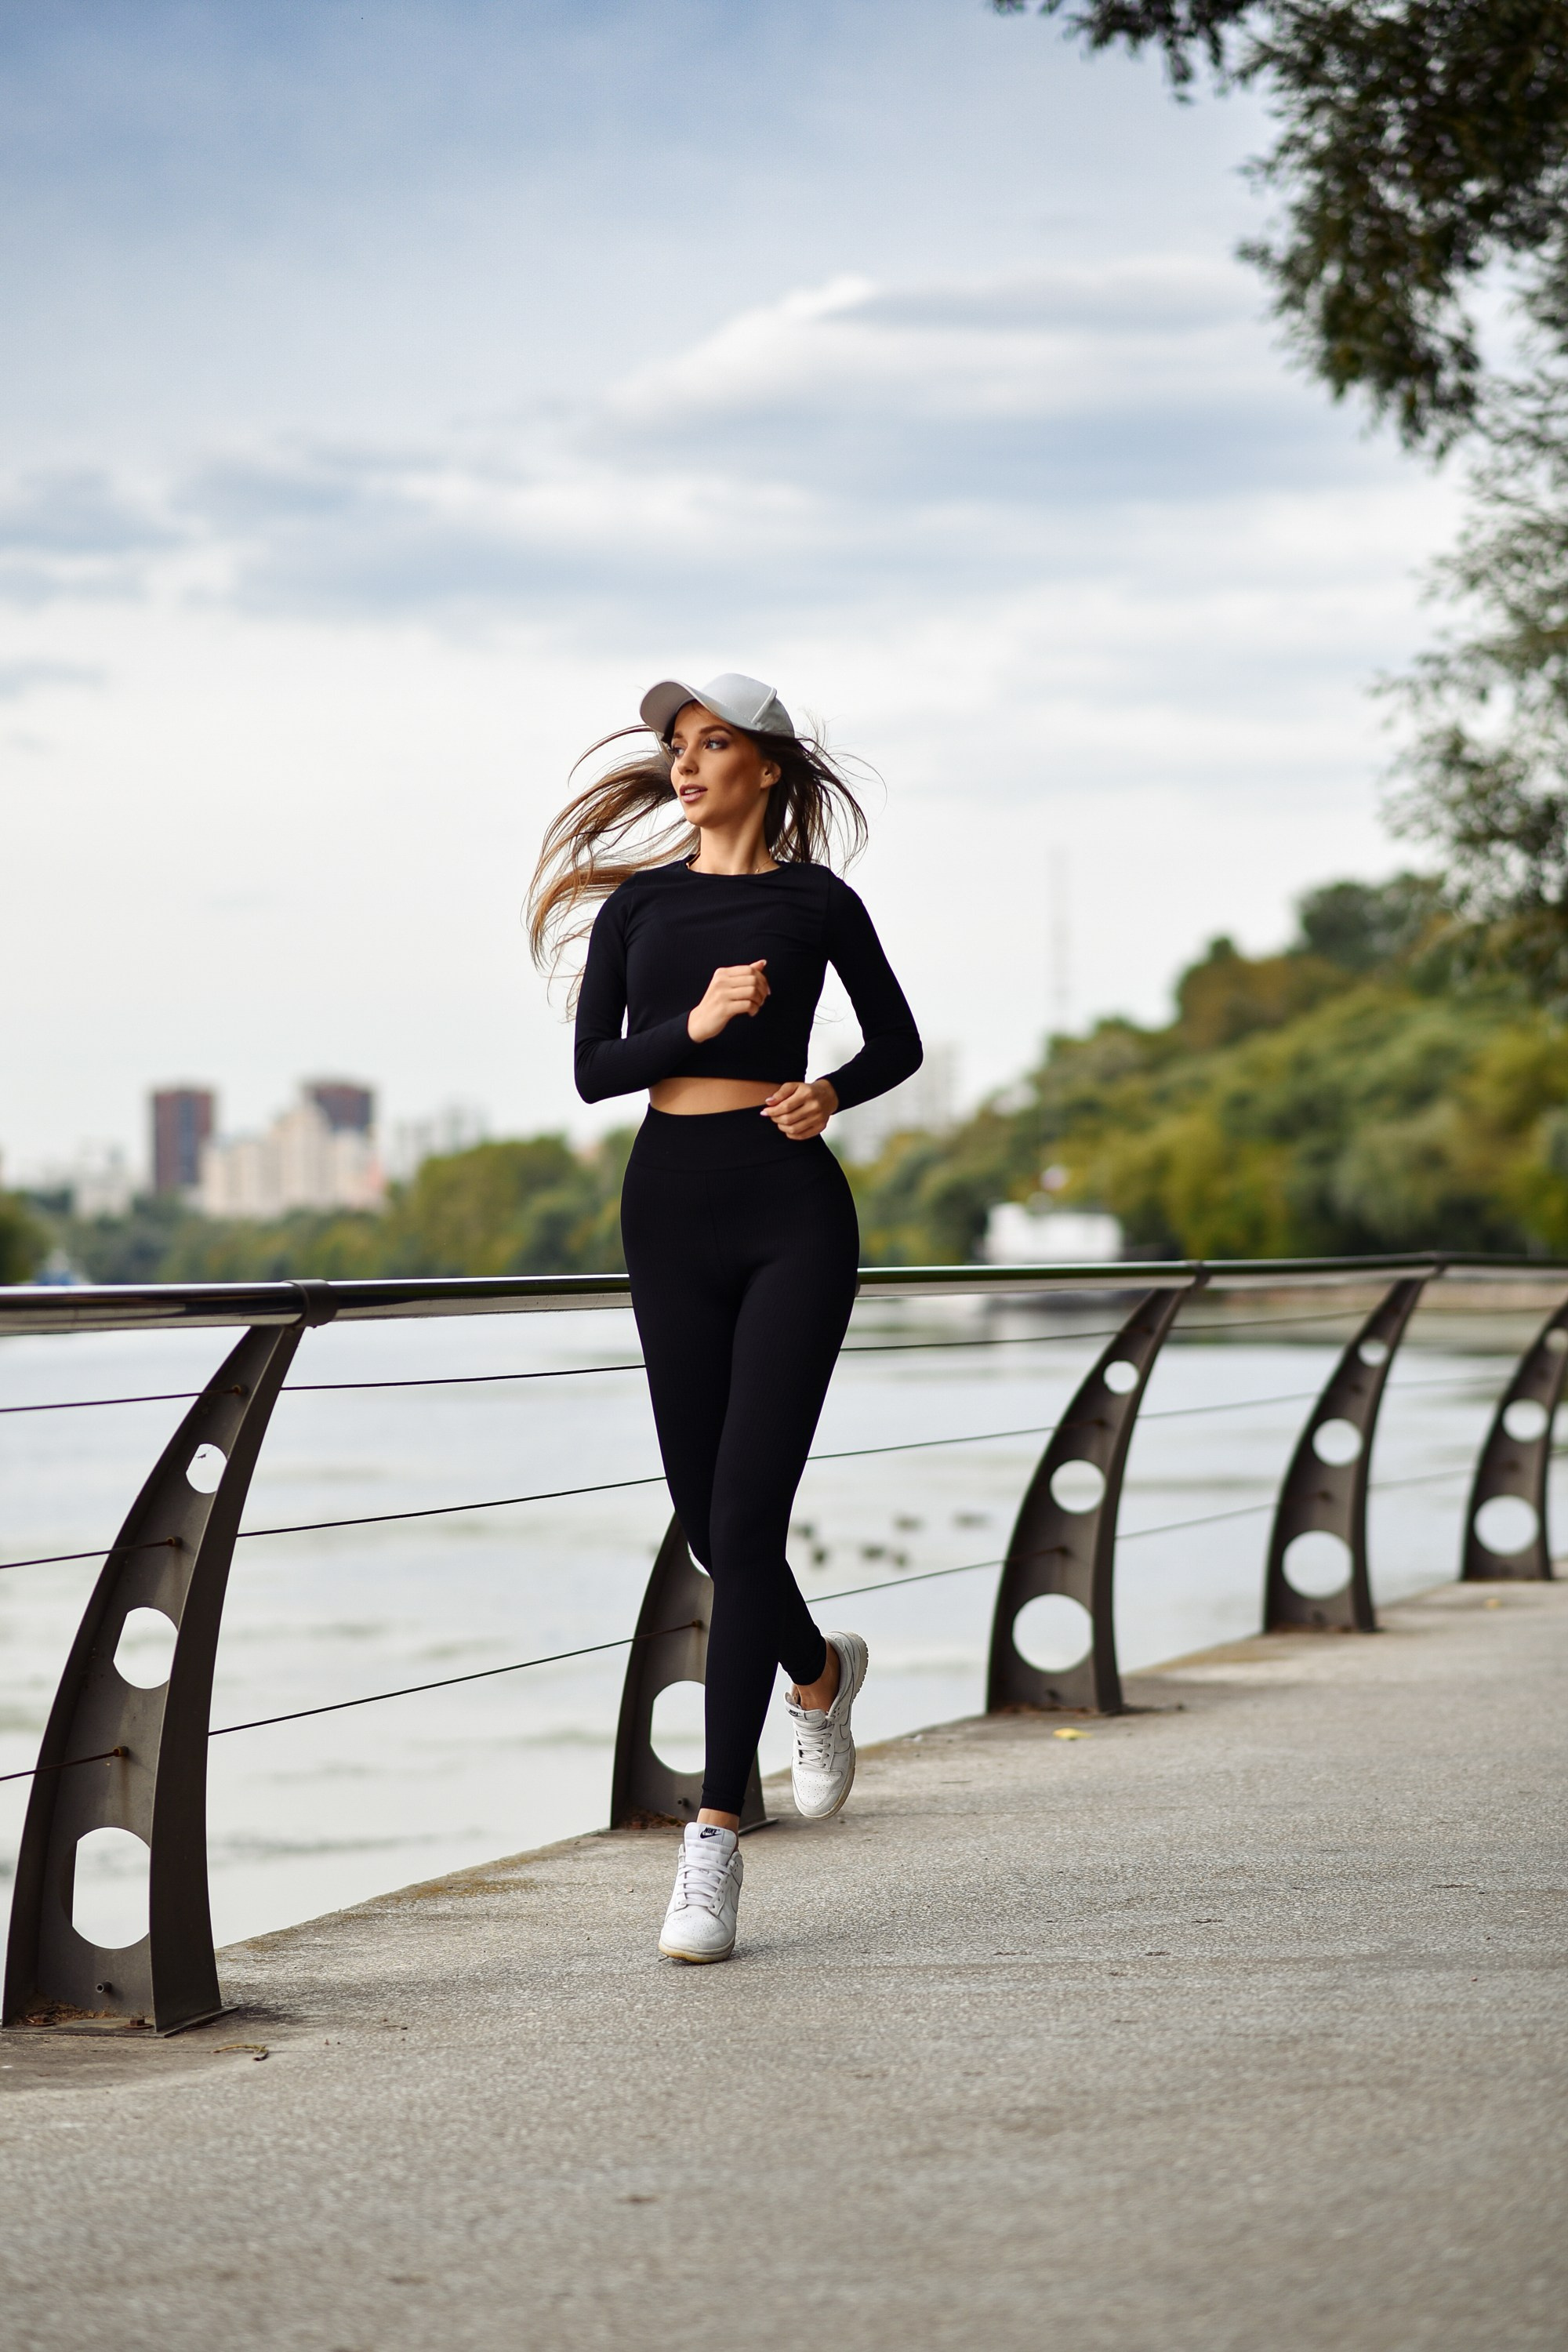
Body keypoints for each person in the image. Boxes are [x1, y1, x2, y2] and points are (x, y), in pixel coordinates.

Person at [528, 672, 922, 1962]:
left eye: (709, 746)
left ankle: (712, 1837)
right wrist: (691, 1026)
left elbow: (898, 1043)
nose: (684, 766)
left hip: (792, 1210)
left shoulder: (817, 900)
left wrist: (831, 1091)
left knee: (746, 1517)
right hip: (670, 1206)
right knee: (709, 1523)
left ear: (765, 763)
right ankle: (817, 1671)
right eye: (674, 748)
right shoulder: (641, 906)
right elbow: (594, 1073)